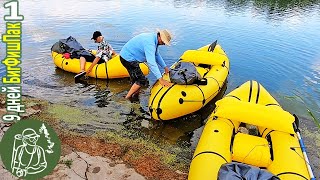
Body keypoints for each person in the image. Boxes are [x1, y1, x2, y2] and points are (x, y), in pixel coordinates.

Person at [120, 29, 173, 99]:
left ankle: (135, 94)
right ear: (159, 36)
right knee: (141, 80)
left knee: (136, 78)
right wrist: (161, 79)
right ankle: (127, 98)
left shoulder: (154, 39)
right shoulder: (150, 42)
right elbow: (151, 62)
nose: (163, 44)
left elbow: (156, 55)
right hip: (128, 58)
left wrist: (165, 67)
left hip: (128, 57)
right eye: (163, 41)